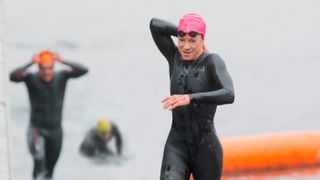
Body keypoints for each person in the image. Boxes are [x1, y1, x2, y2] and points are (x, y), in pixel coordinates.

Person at [149, 13, 235, 180]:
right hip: (176, 147)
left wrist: (191, 98)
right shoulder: (175, 58)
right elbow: (155, 25)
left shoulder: (212, 62)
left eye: (193, 40)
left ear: (203, 40)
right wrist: (185, 30)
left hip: (206, 148)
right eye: (182, 40)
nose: (186, 46)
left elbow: (229, 94)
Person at [10, 50, 88, 180]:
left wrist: (62, 60)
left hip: (56, 131)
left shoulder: (62, 76)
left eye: (49, 68)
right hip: (37, 129)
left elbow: (83, 70)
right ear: (39, 68)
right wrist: (30, 63)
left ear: (53, 67)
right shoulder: (31, 78)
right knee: (39, 159)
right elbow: (12, 76)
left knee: (50, 170)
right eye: (43, 68)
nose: (46, 72)